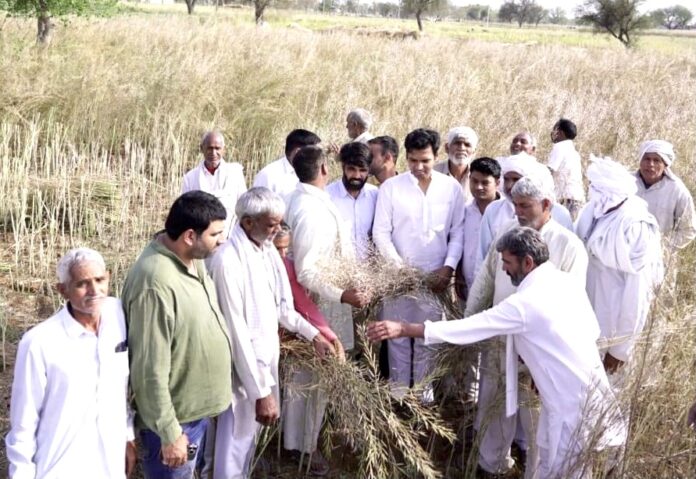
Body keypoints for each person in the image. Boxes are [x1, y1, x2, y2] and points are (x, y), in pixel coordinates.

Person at [367, 226, 626, 479]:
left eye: (507, 262)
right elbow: (591, 330)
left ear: (527, 262)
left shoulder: (526, 303)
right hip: (581, 393)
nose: (503, 268)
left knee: (568, 469)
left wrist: (403, 328)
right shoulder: (565, 282)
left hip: (569, 405)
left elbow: (469, 328)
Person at [207, 188, 334, 479]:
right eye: (271, 224)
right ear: (248, 222)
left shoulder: (267, 251)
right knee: (232, 446)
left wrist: (314, 335)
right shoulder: (228, 261)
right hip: (241, 372)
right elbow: (236, 332)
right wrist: (260, 392)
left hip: (264, 361)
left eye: (279, 223)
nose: (277, 230)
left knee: (247, 443)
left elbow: (283, 309)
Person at [467, 173, 588, 478]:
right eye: (514, 205)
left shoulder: (568, 246)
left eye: (524, 206)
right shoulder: (508, 231)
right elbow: (487, 278)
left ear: (547, 204)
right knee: (492, 404)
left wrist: (546, 354)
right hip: (500, 339)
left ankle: (534, 471)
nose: (517, 212)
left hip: (540, 351)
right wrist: (471, 321)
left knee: (535, 417)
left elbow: (570, 306)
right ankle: (490, 465)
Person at [121, 191, 233, 479]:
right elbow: (148, 370)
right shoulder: (154, 283)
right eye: (215, 234)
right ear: (189, 236)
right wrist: (170, 434)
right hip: (174, 422)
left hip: (192, 414)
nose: (222, 240)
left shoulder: (192, 258)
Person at [6, 248, 136, 479]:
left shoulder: (118, 315)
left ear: (108, 277)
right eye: (82, 284)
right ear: (63, 290)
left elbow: (119, 389)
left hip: (110, 464)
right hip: (61, 466)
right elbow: (24, 421)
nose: (94, 291)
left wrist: (127, 436)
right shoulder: (39, 342)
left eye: (99, 280)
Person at [283, 145, 368, 474]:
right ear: (323, 171)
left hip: (318, 302)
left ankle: (299, 442)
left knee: (305, 378)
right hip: (317, 306)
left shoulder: (303, 200)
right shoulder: (310, 209)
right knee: (312, 379)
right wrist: (344, 295)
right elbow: (306, 271)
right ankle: (305, 446)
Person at [372, 128, 465, 400]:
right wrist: (401, 270)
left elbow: (457, 231)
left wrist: (447, 267)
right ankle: (399, 399)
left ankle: (423, 401)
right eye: (413, 160)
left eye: (425, 160)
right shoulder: (391, 188)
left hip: (436, 277)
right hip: (398, 278)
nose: (419, 167)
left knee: (429, 337)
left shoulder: (451, 189)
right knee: (398, 339)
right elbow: (381, 233)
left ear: (436, 156)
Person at [576, 156, 664, 382]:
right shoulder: (591, 211)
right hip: (585, 317)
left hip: (613, 322)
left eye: (595, 188)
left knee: (610, 394)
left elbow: (638, 294)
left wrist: (621, 348)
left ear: (607, 191)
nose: (590, 191)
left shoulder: (636, 224)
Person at [479, 154, 573, 262]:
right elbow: (483, 257)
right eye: (506, 179)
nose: (510, 185)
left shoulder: (560, 214)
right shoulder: (495, 210)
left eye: (516, 179)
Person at [181, 130, 247, 237]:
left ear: (224, 150)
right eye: (209, 148)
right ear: (202, 148)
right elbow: (186, 211)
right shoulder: (191, 177)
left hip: (229, 237)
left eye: (217, 148)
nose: (213, 153)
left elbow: (244, 206)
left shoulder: (235, 173)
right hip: (201, 238)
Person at [634, 139, 696, 249]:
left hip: (655, 257)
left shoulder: (677, 191)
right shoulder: (625, 183)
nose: (650, 164)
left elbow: (688, 230)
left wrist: (663, 248)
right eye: (647, 159)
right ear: (640, 161)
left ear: (665, 164)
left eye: (656, 160)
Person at [456, 157, 501, 301]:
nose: (479, 187)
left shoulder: (508, 213)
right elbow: (458, 243)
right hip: (467, 284)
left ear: (497, 183)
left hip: (497, 287)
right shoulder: (464, 211)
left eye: (485, 182)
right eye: (474, 181)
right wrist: (458, 274)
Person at [327, 142, 379, 261]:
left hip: (370, 273)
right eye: (351, 169)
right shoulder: (327, 196)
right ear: (343, 167)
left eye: (362, 170)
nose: (357, 175)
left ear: (368, 170)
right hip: (338, 271)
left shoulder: (375, 195)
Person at [252, 129, 322, 202]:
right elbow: (257, 208)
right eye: (313, 153)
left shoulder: (314, 172)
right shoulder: (269, 175)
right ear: (297, 152)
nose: (317, 157)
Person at [547, 118, 585, 220]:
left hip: (565, 199)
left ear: (560, 132)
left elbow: (549, 171)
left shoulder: (559, 147)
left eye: (555, 130)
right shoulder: (573, 151)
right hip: (577, 198)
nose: (553, 133)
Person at [433, 126, 479, 203]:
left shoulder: (479, 175)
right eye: (457, 143)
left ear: (474, 151)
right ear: (447, 148)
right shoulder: (434, 172)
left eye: (467, 145)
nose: (462, 148)